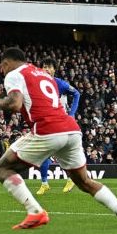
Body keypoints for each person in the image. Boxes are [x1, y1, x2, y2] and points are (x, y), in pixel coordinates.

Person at [0, 47, 117, 229]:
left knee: (2, 168)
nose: (2, 71)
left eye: (2, 68)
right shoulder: (42, 73)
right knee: (85, 182)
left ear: (6, 63)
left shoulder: (14, 74)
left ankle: (35, 212)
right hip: (71, 130)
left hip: (48, 130)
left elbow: (15, 104)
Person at [36, 57, 81, 195]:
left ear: (54, 69)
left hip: (59, 122)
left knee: (59, 152)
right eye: (44, 66)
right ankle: (44, 183)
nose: (47, 69)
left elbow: (77, 94)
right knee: (43, 154)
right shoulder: (37, 83)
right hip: (45, 122)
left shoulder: (59, 83)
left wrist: (72, 114)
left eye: (50, 67)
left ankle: (70, 178)